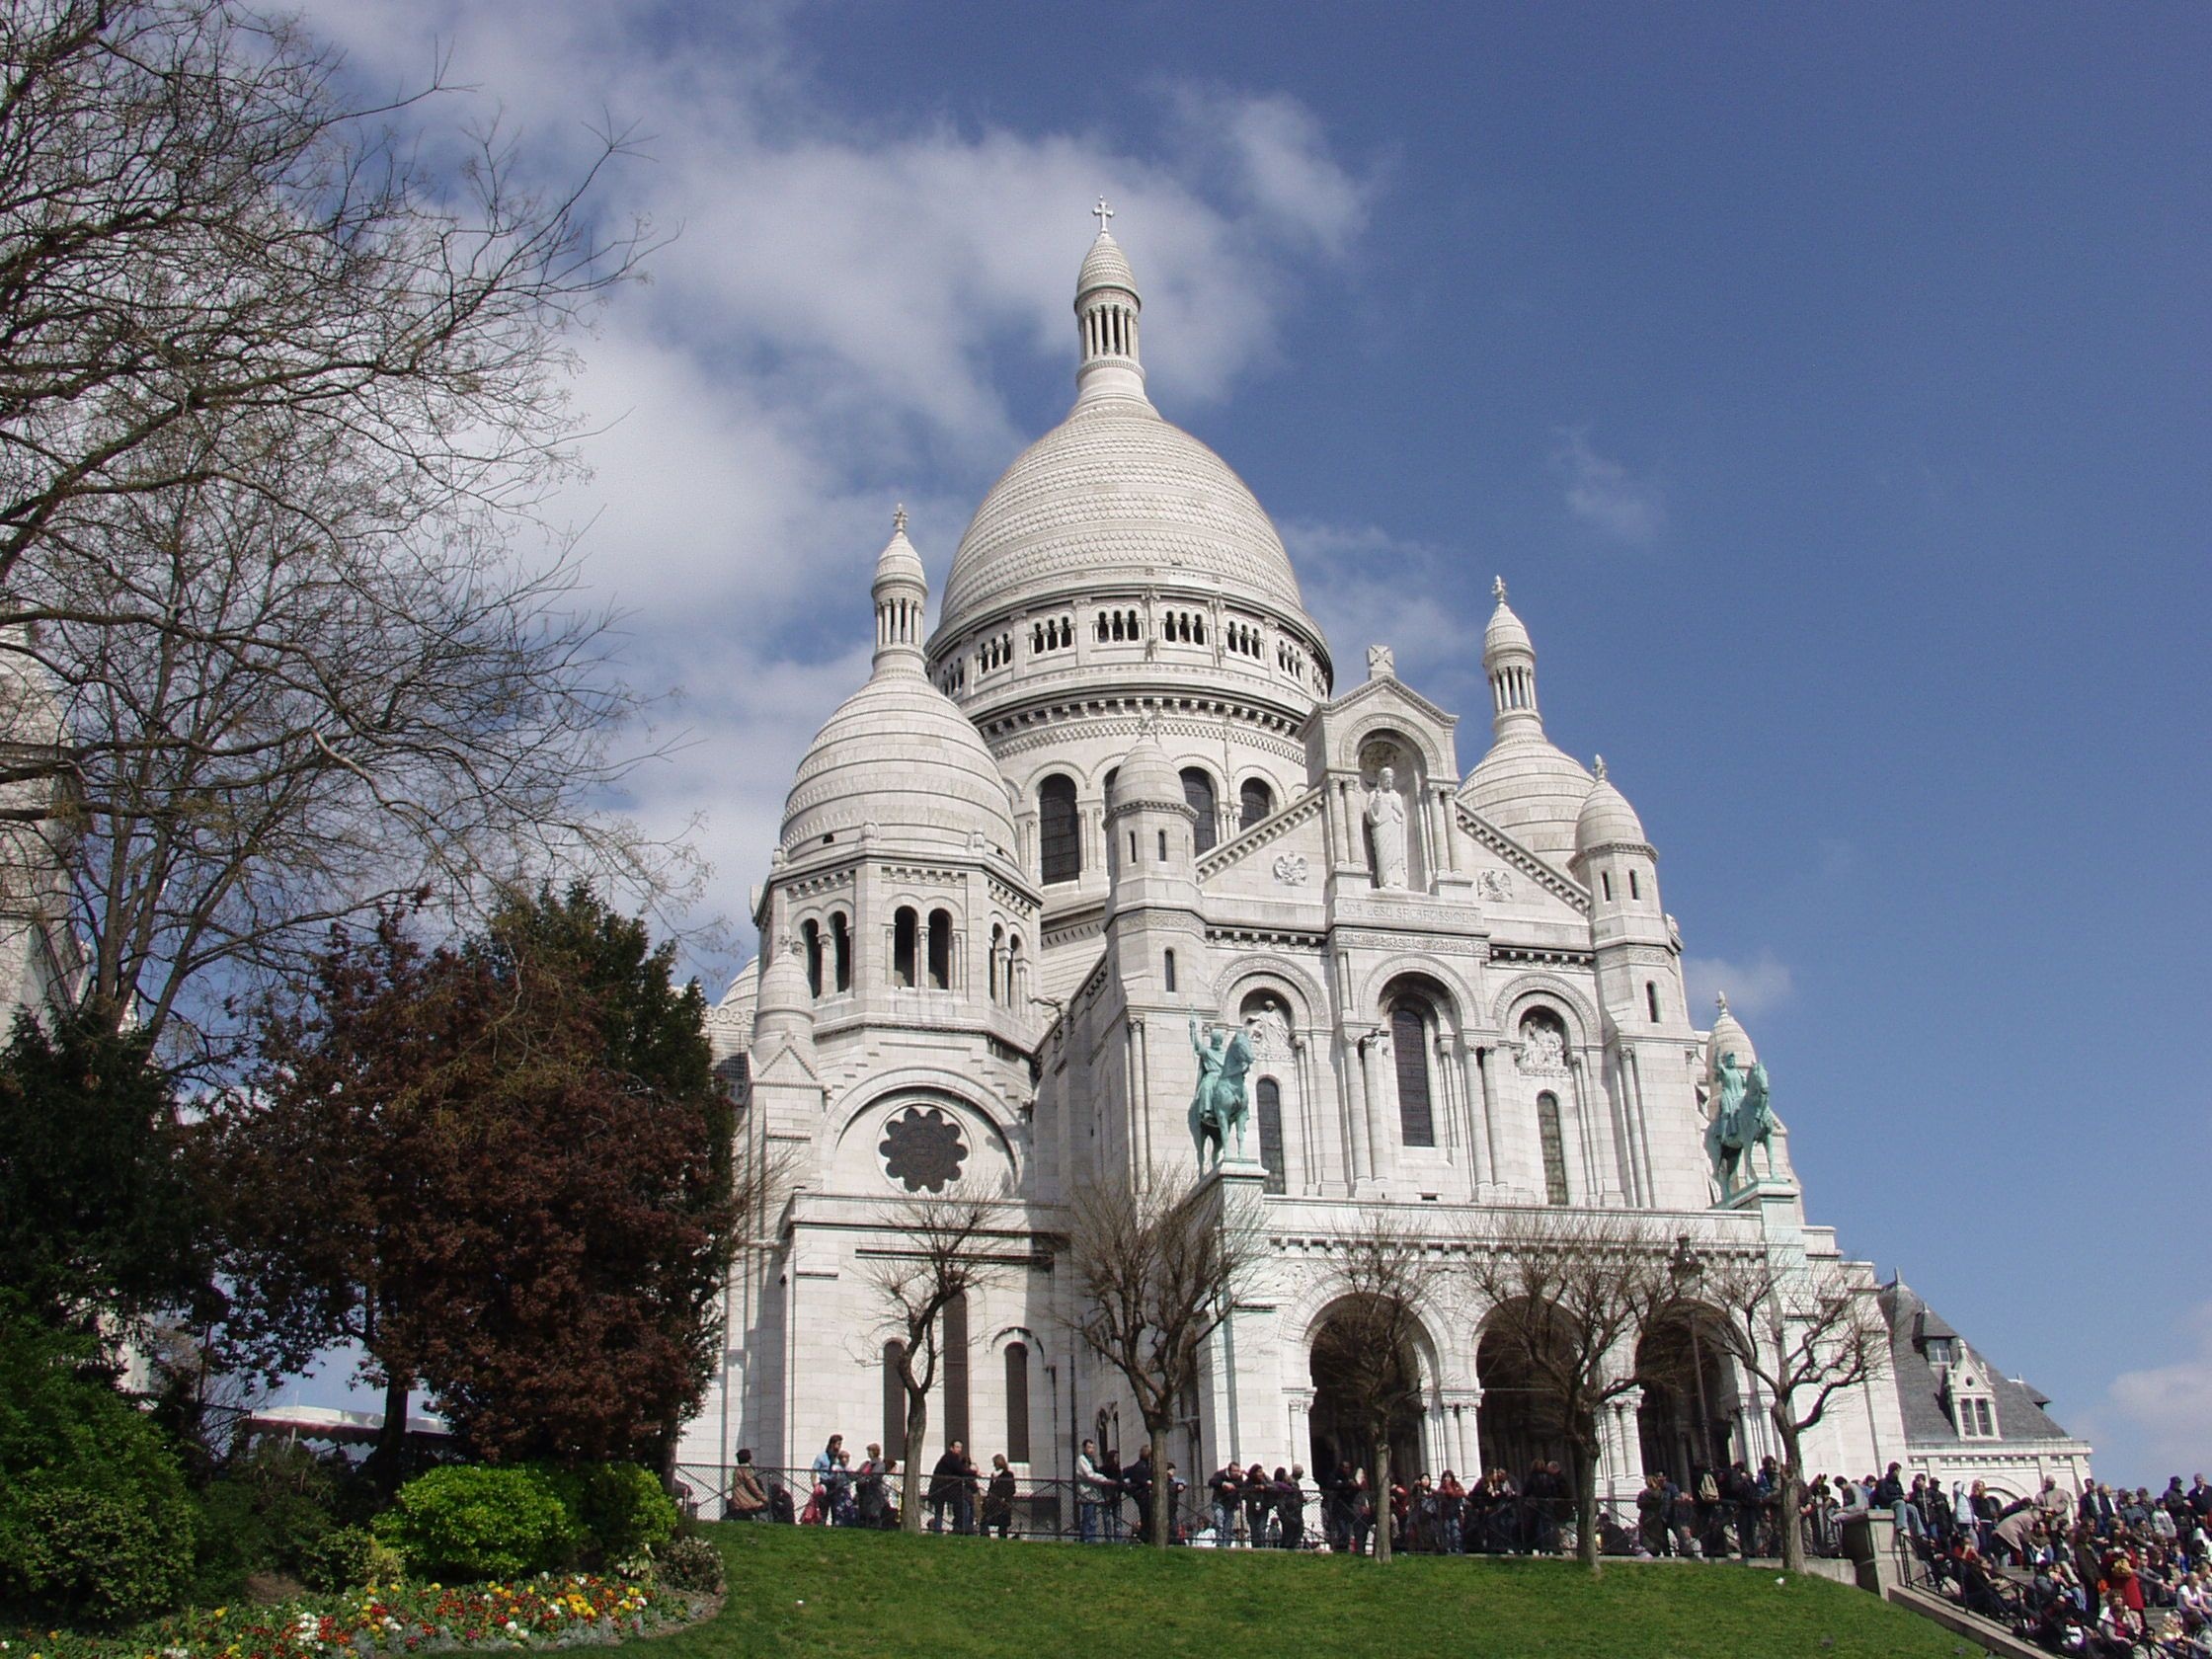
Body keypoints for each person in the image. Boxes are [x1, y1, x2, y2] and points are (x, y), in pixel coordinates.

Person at [929, 1441, 972, 1535]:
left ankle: (939, 1530)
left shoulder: (950, 1458)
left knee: (939, 1510)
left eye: (960, 1447)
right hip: (943, 1489)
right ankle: (963, 1529)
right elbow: (960, 1470)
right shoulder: (950, 1457)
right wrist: (975, 1473)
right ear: (951, 1448)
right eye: (957, 1447)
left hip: (942, 1488)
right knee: (963, 1505)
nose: (959, 1449)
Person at [1075, 1439, 1112, 1543]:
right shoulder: (1082, 1459)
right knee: (1088, 1516)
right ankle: (1088, 1538)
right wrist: (1104, 1479)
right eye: (1089, 1447)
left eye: (1093, 1447)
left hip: (1093, 1492)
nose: (1092, 1450)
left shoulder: (1091, 1460)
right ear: (1084, 1448)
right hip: (1086, 1492)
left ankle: (1090, 1537)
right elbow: (1090, 1475)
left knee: (1092, 1516)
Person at [856, 1444, 894, 1529]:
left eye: (870, 1451)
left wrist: (863, 1479)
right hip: (863, 1492)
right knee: (863, 1513)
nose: (868, 1453)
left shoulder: (880, 1464)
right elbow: (858, 1473)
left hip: (874, 1493)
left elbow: (874, 1477)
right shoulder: (866, 1464)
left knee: (873, 1514)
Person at [726, 1447, 769, 1521]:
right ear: (749, 1458)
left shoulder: (737, 1470)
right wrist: (764, 1498)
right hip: (747, 1501)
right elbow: (752, 1486)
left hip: (738, 1501)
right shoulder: (746, 1469)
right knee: (768, 1505)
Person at [1209, 1460, 1244, 1544]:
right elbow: (1211, 1482)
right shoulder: (1220, 1474)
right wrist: (1223, 1483)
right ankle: (1219, 1543)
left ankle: (1227, 1544)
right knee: (1219, 1520)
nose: (1237, 1473)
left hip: (1230, 1504)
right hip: (1219, 1502)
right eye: (1235, 1471)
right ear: (1229, 1471)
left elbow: (1241, 1486)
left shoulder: (1239, 1478)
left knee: (1228, 1525)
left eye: (1238, 1471)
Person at [983, 1453, 1017, 1540]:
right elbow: (991, 1489)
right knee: (984, 1521)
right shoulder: (993, 1475)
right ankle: (986, 1537)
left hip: (1003, 1503)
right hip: (993, 1503)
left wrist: (1004, 1497)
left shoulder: (1008, 1474)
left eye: (995, 1463)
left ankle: (1002, 1539)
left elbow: (1012, 1489)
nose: (994, 1465)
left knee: (1002, 1525)